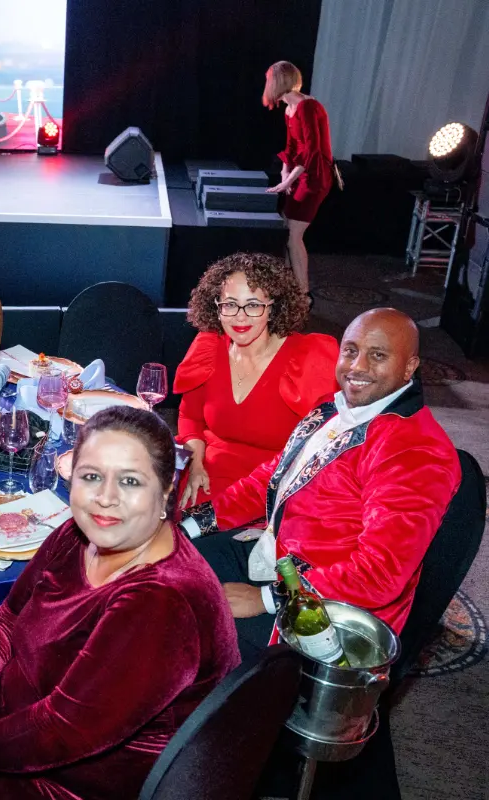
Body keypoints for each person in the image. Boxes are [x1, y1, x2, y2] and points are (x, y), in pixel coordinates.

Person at [0, 407, 240, 800]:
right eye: (91, 476)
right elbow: (9, 618)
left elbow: (62, 732)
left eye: (130, 481)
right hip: (28, 708)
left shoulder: (163, 603)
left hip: (78, 777)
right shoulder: (77, 536)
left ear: (166, 491)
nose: (105, 498)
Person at [183, 309, 460, 659]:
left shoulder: (415, 452)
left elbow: (379, 575)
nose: (357, 367)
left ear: (409, 367)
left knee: (189, 621)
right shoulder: (333, 407)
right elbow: (269, 478)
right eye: (350, 350)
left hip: (324, 610)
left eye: (378, 355)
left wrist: (265, 599)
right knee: (168, 562)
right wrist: (186, 526)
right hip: (277, 555)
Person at [176, 252, 337, 508]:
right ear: (216, 307)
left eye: (253, 305)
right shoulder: (209, 348)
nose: (240, 317)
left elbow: (328, 440)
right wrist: (195, 465)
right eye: (230, 304)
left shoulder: (308, 358)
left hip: (278, 482)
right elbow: (190, 418)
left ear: (273, 308)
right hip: (209, 473)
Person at [263, 60, 337, 297]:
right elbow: (292, 147)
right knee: (287, 230)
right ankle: (288, 287)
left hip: (315, 177)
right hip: (301, 175)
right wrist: (285, 173)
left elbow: (312, 151)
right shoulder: (289, 110)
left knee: (294, 236)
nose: (267, 84)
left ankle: (303, 295)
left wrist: (287, 182)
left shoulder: (307, 107)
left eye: (270, 79)